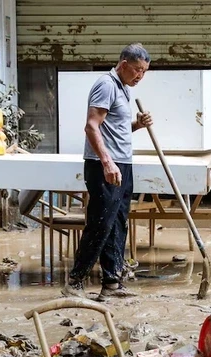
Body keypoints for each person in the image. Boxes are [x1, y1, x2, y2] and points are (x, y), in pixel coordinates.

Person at [62, 43, 153, 300]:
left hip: (122, 163)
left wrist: (138, 124)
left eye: (144, 72)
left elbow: (115, 128)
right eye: (137, 70)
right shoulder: (106, 84)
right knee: (101, 223)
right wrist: (106, 162)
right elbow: (92, 127)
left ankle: (111, 282)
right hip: (105, 165)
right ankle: (75, 281)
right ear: (123, 64)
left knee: (117, 222)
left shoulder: (122, 88)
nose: (140, 76)